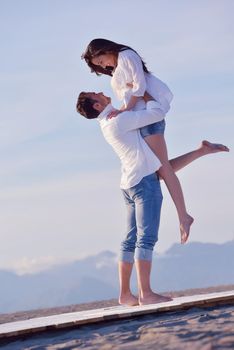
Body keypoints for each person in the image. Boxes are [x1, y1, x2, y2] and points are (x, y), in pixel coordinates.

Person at [76, 90, 229, 306]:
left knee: (130, 240)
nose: (101, 92)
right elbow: (156, 113)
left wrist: (200, 152)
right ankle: (145, 293)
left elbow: (162, 168)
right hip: (143, 183)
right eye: (96, 94)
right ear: (97, 106)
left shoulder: (108, 123)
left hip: (129, 183)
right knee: (146, 239)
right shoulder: (118, 120)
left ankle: (125, 294)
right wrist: (144, 93)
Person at [82, 38, 193, 244]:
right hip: (141, 119)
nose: (104, 66)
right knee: (160, 170)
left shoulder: (126, 56)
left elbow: (139, 88)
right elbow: (131, 93)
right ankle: (202, 152)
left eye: (100, 61)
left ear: (104, 50)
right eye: (99, 66)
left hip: (149, 118)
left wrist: (124, 110)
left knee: (164, 170)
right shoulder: (119, 65)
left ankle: (183, 216)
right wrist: (122, 110)